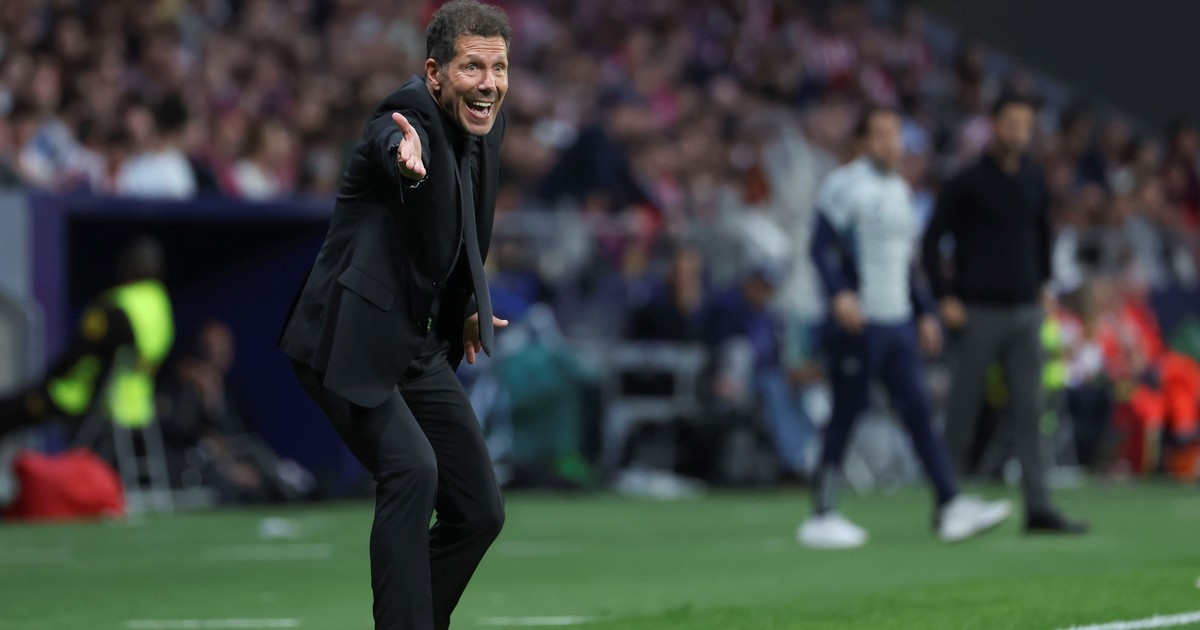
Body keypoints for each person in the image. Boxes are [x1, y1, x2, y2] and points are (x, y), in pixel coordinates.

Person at [278, 2, 512, 628]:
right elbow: (390, 136)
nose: (488, 83)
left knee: (480, 510)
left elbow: (458, 234)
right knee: (412, 470)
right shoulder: (407, 117)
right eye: (472, 67)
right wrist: (401, 152)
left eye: (498, 68)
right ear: (435, 73)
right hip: (347, 338)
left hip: (416, 345)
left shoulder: (485, 127)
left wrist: (464, 310)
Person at [799, 106, 1011, 549]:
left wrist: (924, 311)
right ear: (862, 141)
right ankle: (822, 513)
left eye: (894, 134)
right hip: (862, 320)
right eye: (880, 134)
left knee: (918, 411)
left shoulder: (899, 189)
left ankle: (949, 503)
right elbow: (820, 246)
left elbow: (904, 263)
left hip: (896, 321)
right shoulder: (845, 185)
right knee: (846, 413)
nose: (890, 143)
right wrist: (840, 293)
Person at [922, 94, 1088, 534]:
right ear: (994, 125)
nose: (1017, 132)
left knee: (1031, 410)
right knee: (963, 410)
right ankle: (948, 501)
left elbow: (1042, 234)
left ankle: (1038, 505)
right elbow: (932, 240)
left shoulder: (1033, 178)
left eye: (1025, 125)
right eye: (1010, 123)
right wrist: (945, 296)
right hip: (977, 310)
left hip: (1025, 309)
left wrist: (1045, 283)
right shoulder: (967, 181)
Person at [0, 237, 174, 440]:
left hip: (93, 399)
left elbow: (78, 353)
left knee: (12, 408)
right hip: (138, 406)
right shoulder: (161, 304)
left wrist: (44, 383)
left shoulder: (117, 305)